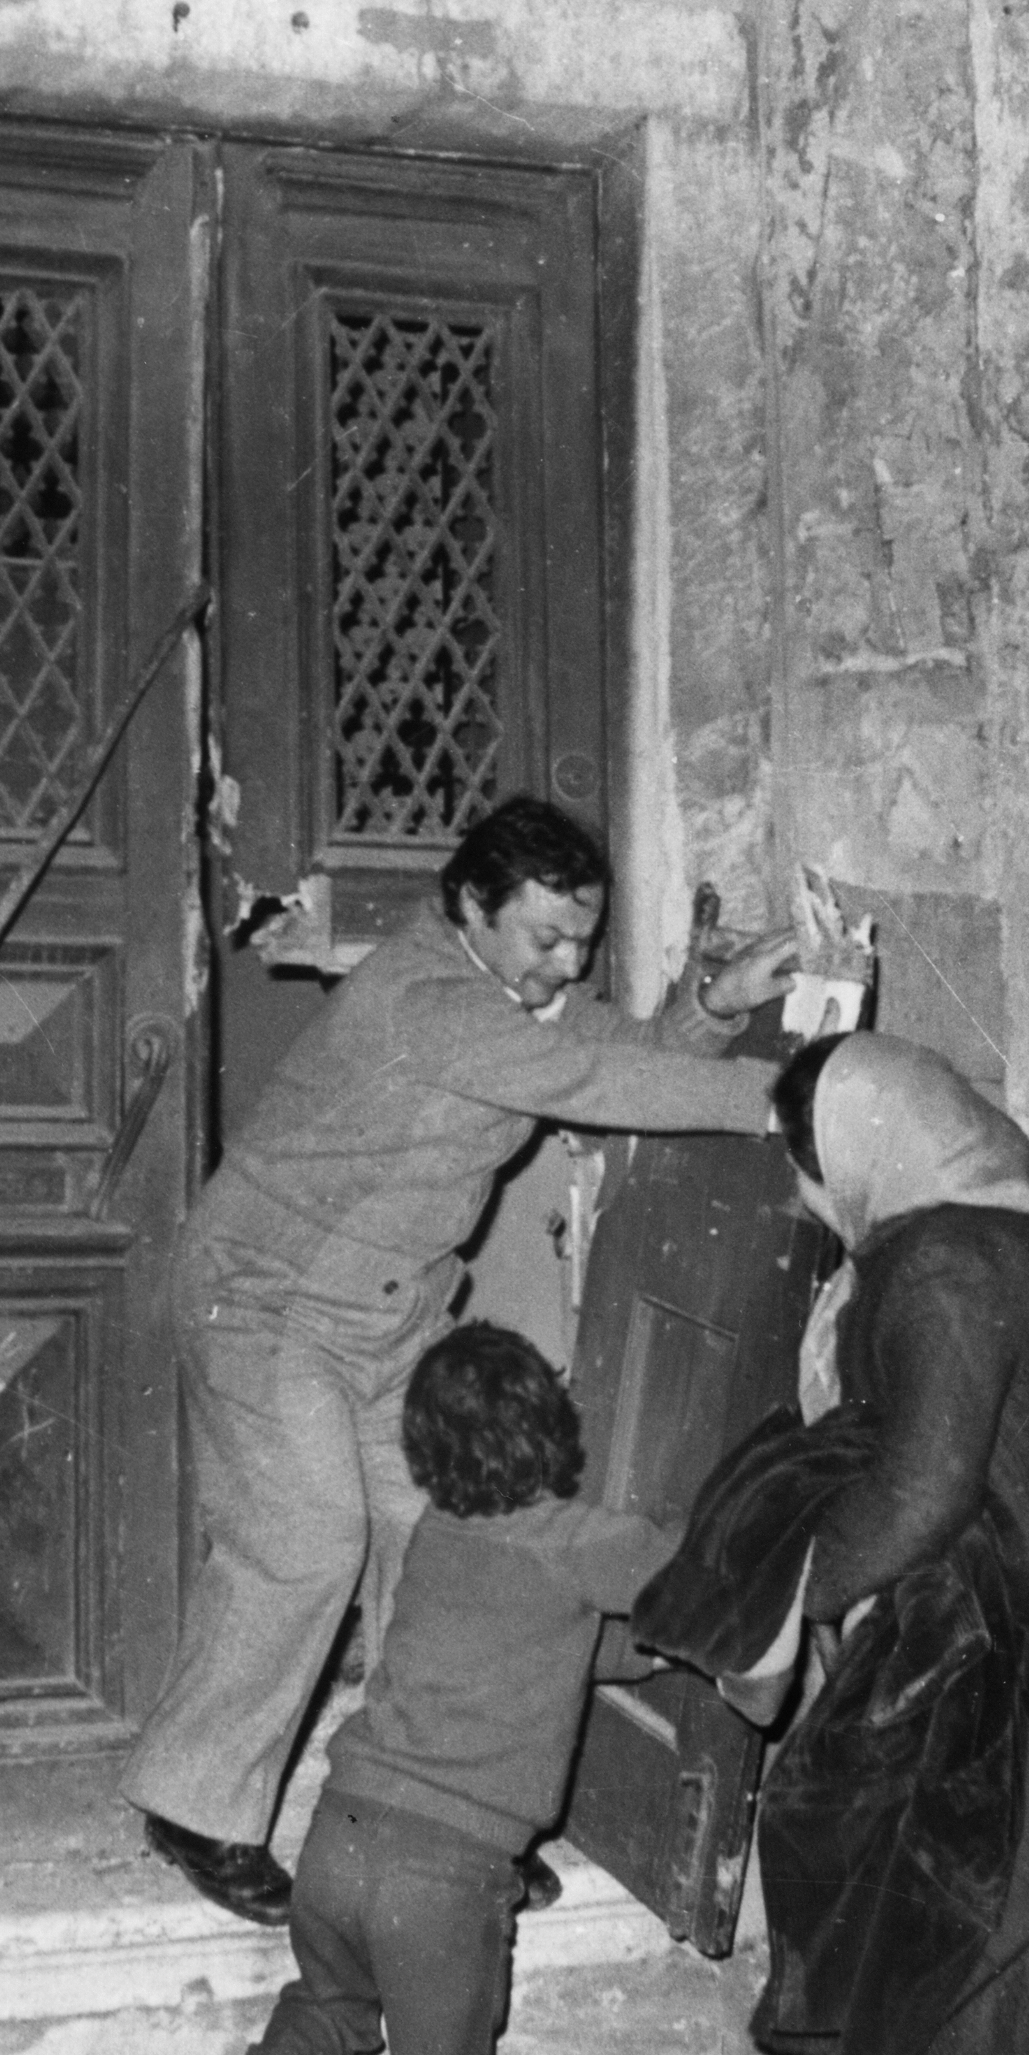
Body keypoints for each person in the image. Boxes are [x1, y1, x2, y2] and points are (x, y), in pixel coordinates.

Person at [123, 795, 796, 1923]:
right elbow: (591, 1084)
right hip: (267, 1300)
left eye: (583, 939)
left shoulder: (505, 989)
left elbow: (609, 1047)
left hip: (385, 1319)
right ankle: (192, 1804)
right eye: (546, 939)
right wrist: (799, 1100)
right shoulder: (422, 1000)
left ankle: (437, 1807)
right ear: (471, 908)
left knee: (444, 1536)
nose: (567, 964)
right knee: (307, 1538)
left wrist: (711, 1005)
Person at [645, 1032, 1029, 2055]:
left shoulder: (947, 1261)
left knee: (934, 2025)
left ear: (855, 1147)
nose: (805, 1196)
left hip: (1016, 1714)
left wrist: (779, 1588)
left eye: (802, 1163)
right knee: (1004, 2033)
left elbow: (921, 1494)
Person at [194, 1323, 680, 2055]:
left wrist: (639, 1654)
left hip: (338, 1834)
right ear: (553, 1429)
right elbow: (692, 1579)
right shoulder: (581, 1540)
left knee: (330, 2002)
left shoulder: (435, 1535)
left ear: (423, 1452)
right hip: (443, 1878)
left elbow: (541, 1637)